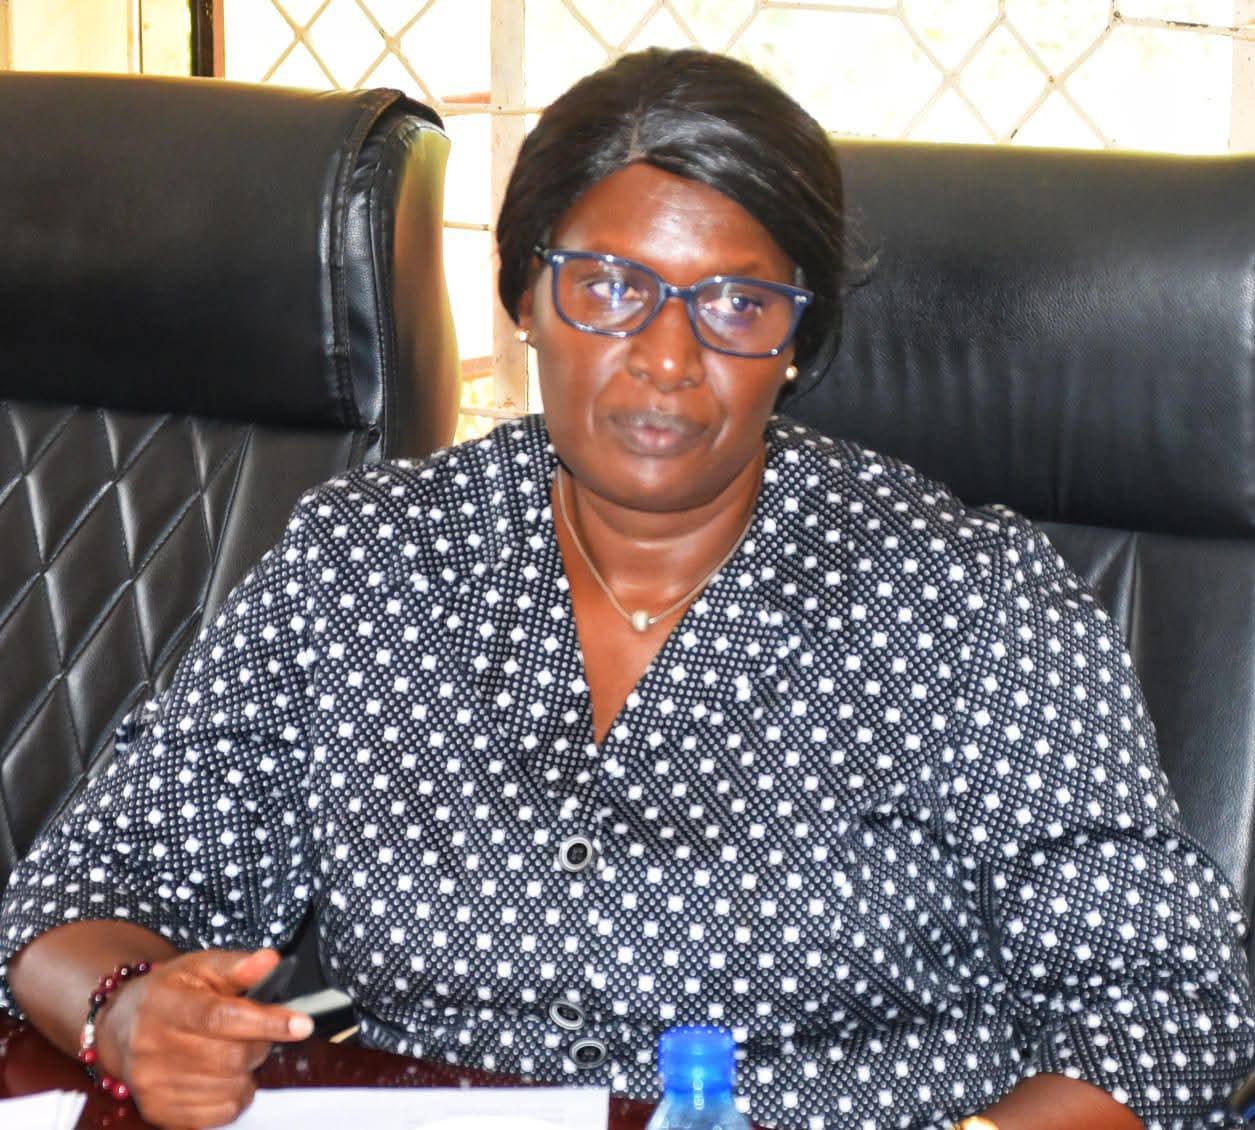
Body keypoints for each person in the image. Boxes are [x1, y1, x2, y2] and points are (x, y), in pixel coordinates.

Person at [0, 47, 1251, 1130]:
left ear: (796, 343)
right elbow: (80, 893)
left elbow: (1169, 1011)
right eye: (607, 286)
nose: (665, 357)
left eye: (736, 303)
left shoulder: (968, 602)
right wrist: (126, 1010)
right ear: (525, 298)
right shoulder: (368, 560)